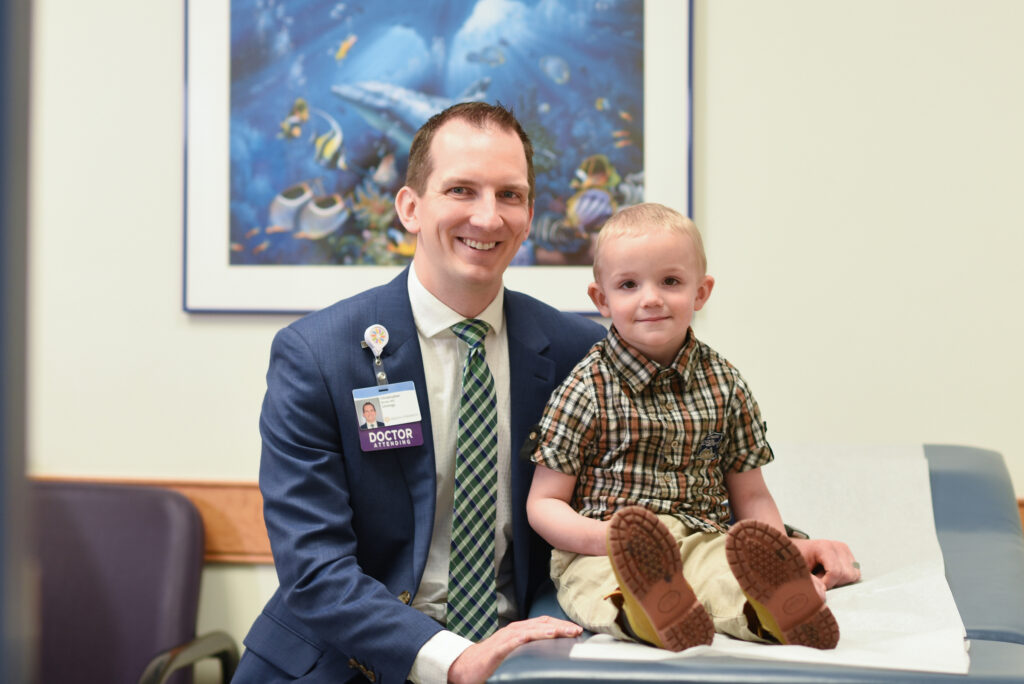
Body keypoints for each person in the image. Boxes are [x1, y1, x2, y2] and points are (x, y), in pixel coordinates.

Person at [233, 102, 604, 684]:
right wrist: (451, 658)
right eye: (461, 190)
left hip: (525, 660)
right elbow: (313, 567)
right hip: (343, 663)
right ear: (410, 207)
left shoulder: (579, 352)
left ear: (530, 214)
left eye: (510, 195)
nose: (488, 217)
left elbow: (646, 487)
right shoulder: (317, 355)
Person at [525, 203, 861, 652]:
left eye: (671, 282)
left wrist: (778, 552)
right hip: (604, 548)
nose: (651, 298)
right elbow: (544, 503)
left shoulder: (724, 383)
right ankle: (647, 613)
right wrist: (610, 540)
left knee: (726, 574)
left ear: (701, 292)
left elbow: (753, 495)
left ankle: (771, 609)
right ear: (601, 299)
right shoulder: (586, 388)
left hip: (703, 536)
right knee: (597, 584)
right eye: (628, 284)